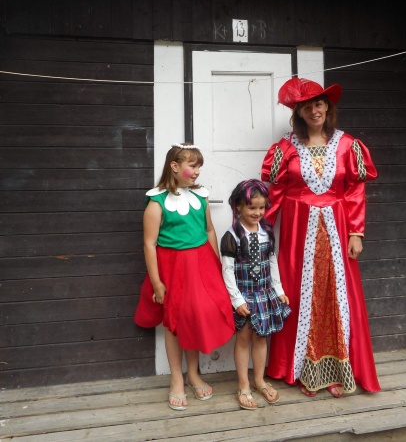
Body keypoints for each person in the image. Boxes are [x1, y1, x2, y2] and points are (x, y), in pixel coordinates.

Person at [261, 77, 381, 398]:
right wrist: (261, 232)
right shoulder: (285, 148)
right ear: (298, 113)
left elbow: (354, 190)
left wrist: (356, 232)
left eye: (319, 104)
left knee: (335, 298)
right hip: (298, 234)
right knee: (300, 297)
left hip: (337, 233)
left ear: (327, 107)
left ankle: (338, 370)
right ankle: (302, 369)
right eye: (307, 107)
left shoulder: (346, 145)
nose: (314, 111)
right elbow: (275, 194)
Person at [134, 143, 235, 411]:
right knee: (175, 321)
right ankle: (176, 379)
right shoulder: (157, 202)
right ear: (175, 166)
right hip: (173, 268)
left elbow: (209, 230)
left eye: (199, 166)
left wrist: (215, 265)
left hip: (201, 265)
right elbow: (149, 244)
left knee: (195, 316)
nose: (197, 171)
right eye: (193, 166)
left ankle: (193, 374)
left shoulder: (201, 197)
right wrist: (157, 282)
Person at [220, 179, 291, 410]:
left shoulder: (267, 233)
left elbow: (272, 262)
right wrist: (237, 300)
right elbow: (227, 270)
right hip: (244, 296)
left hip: (264, 294)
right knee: (243, 339)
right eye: (252, 207)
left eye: (261, 207)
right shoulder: (232, 236)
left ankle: (259, 380)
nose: (257, 212)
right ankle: (243, 385)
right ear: (238, 206)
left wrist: (279, 290)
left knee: (261, 338)